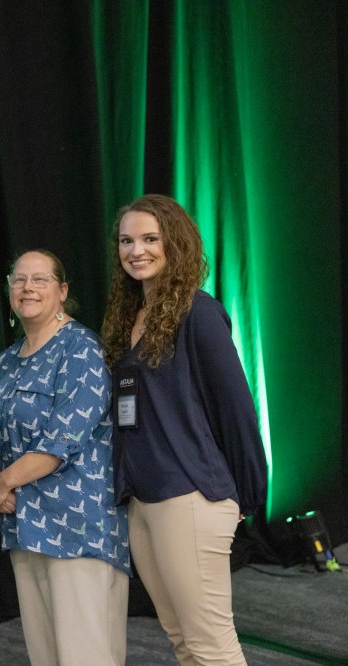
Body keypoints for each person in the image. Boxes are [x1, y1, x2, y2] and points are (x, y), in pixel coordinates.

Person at [102, 194, 268, 665]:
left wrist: (247, 493)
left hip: (190, 497)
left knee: (211, 646)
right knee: (182, 642)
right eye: (127, 240)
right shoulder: (129, 318)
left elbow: (236, 408)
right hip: (143, 502)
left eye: (150, 238)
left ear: (175, 242)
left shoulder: (198, 311)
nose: (137, 250)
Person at [0, 249, 131, 665]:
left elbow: (61, 440)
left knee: (85, 654)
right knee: (45, 654)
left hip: (78, 529)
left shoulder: (81, 349)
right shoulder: (6, 361)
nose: (27, 288)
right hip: (23, 523)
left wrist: (3, 482)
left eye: (40, 279)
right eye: (19, 279)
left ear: (62, 291)